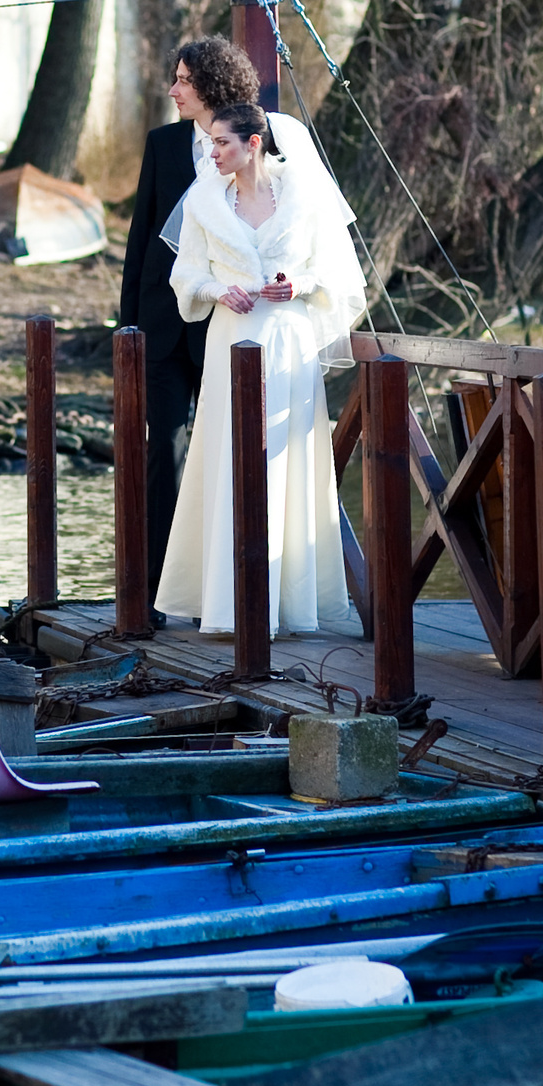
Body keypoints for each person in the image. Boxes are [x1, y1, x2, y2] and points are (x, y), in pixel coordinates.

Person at [154, 100, 369, 637]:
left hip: (289, 342)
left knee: (285, 461)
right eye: (211, 143)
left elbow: (335, 273)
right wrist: (217, 289)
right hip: (232, 338)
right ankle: (228, 602)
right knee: (231, 460)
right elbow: (186, 276)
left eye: (222, 143)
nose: (212, 151)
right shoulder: (205, 201)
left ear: (253, 143)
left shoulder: (302, 195)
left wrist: (300, 286)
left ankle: (289, 605)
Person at [118, 38, 263, 599]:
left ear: (212, 87)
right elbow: (141, 236)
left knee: (225, 447)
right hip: (160, 320)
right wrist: (128, 323)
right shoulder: (162, 144)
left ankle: (222, 585)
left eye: (183, 79)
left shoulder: (252, 146)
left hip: (225, 322)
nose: (173, 90)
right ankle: (157, 589)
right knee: (164, 449)